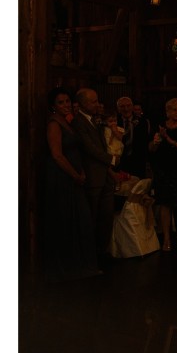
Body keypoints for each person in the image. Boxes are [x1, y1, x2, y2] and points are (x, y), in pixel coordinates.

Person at [43, 88, 100, 282]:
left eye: (67, 101)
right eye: (60, 102)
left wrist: (80, 171)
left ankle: (82, 264)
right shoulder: (53, 123)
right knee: (68, 220)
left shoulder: (67, 121)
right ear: (53, 105)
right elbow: (57, 155)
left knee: (80, 220)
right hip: (62, 178)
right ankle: (68, 267)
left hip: (75, 176)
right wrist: (75, 174)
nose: (66, 104)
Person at [72, 87, 117, 261]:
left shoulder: (95, 120)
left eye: (97, 100)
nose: (97, 104)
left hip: (104, 175)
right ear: (82, 104)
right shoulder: (78, 122)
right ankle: (90, 255)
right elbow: (89, 147)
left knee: (106, 216)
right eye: (93, 101)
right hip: (93, 175)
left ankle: (102, 250)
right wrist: (111, 159)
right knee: (92, 215)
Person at [149, 97, 177, 251]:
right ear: (167, 111)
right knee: (165, 204)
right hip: (163, 170)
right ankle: (166, 239)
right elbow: (151, 149)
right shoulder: (160, 127)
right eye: (175, 110)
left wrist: (170, 140)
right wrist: (156, 142)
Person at [116, 96, 150, 179]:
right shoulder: (115, 122)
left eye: (128, 106)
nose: (126, 109)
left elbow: (145, 142)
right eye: (122, 106)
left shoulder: (142, 122)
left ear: (132, 107)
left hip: (138, 163)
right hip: (120, 163)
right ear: (118, 109)